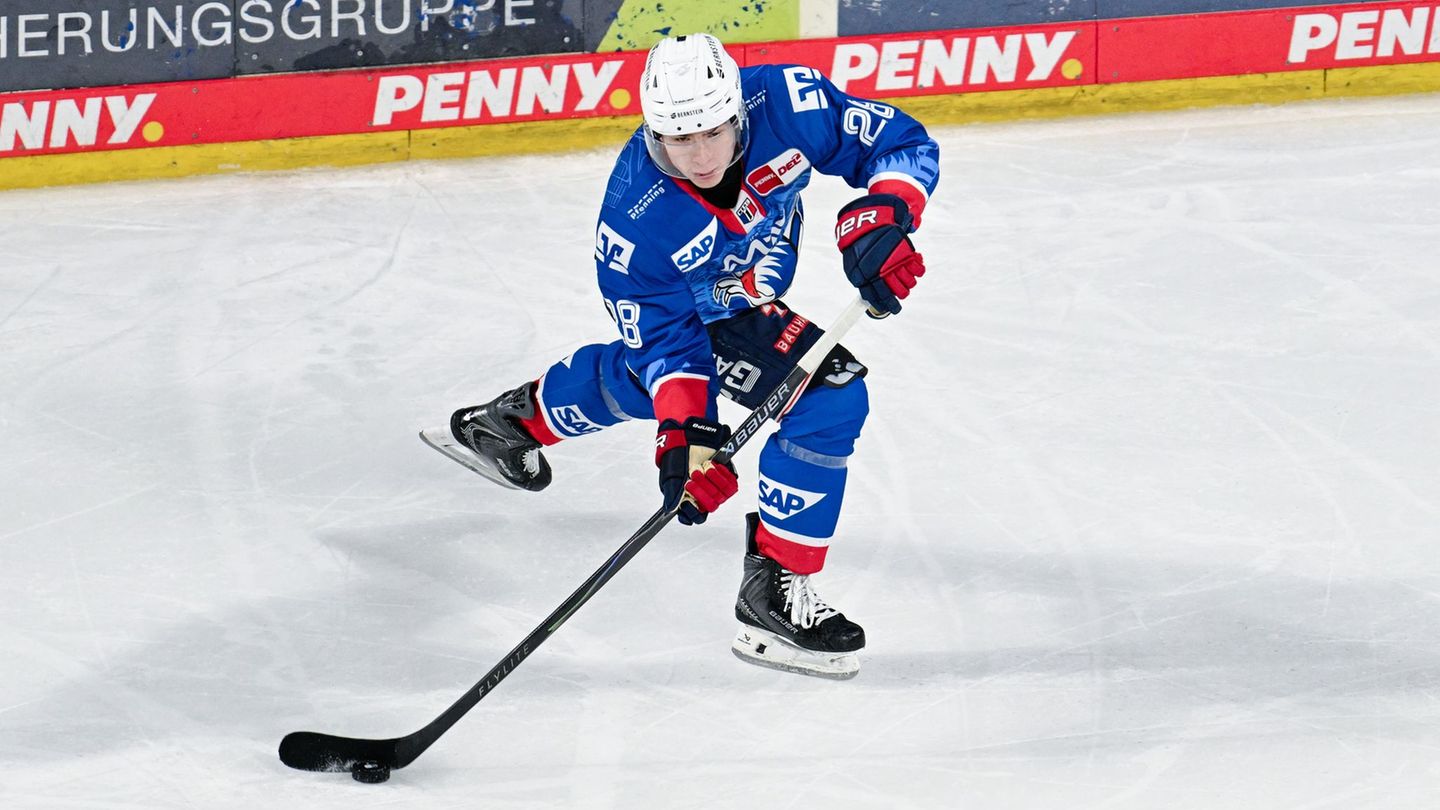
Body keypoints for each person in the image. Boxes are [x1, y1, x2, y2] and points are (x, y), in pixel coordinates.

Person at [423, 33, 938, 679]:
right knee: (828, 397)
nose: (697, 155)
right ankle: (773, 592)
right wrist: (686, 438)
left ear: (740, 115)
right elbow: (668, 344)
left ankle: (511, 422)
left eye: (713, 133)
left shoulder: (789, 101)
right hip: (703, 303)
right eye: (676, 139)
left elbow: (902, 144)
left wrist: (883, 215)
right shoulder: (636, 222)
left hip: (750, 274)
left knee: (640, 382)